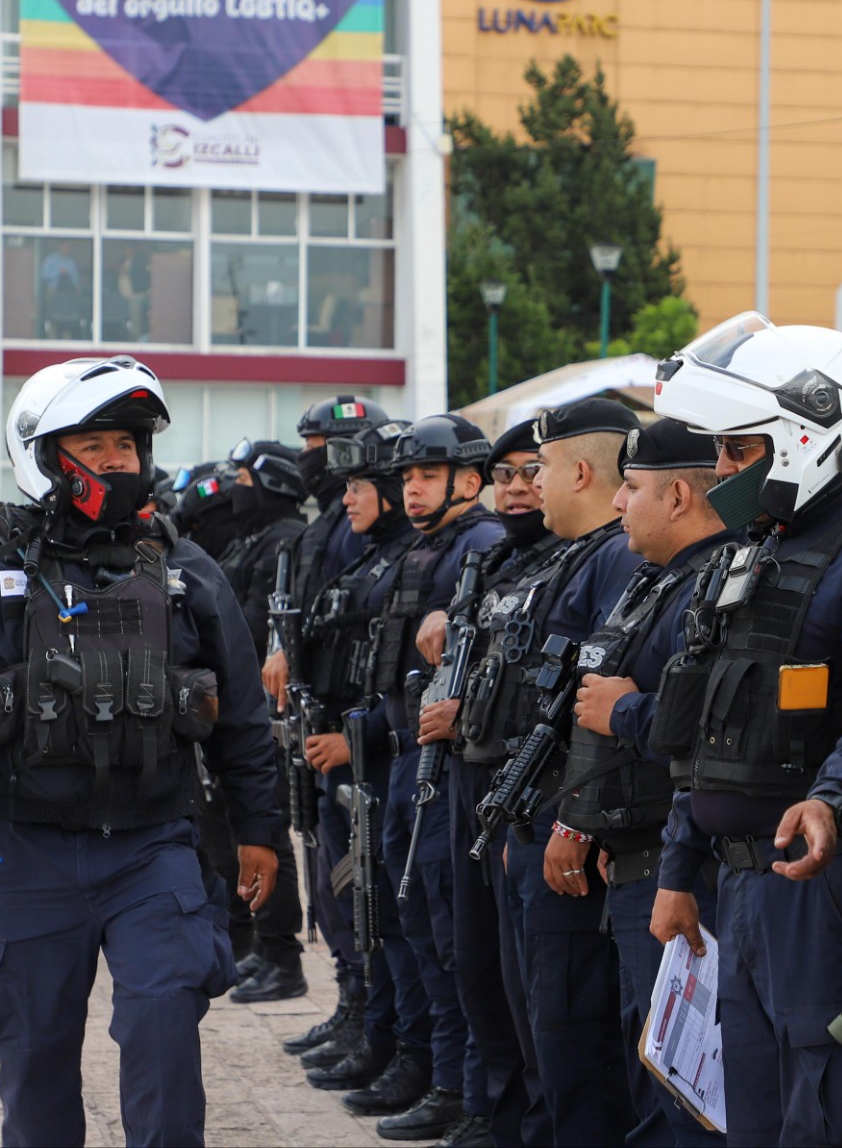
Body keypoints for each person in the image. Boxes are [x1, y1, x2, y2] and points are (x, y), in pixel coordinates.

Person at [0, 355, 281, 1147]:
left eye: (126, 446)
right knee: (32, 1053)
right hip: (26, 852)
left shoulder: (187, 572)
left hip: (155, 848)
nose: (115, 462)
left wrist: (259, 829)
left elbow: (242, 713)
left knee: (166, 1030)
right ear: (44, 456)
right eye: (94, 445)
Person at [648, 313, 842, 1146]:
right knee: (757, 1122)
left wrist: (830, 797)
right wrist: (679, 867)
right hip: (741, 891)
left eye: (738, 450)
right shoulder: (750, 552)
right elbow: (708, 729)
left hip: (828, 891)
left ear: (804, 438)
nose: (721, 471)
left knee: (838, 1110)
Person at [562, 418, 730, 1146]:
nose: (618, 502)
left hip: (681, 872)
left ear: (679, 496)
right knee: (652, 1075)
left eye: (630, 488)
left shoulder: (713, 586)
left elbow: (711, 731)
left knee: (685, 1093)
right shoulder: (663, 583)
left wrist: (624, 711)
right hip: (639, 858)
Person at [497, 397, 645, 1143]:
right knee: (544, 1027)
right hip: (541, 813)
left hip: (572, 823)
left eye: (543, 467)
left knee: (573, 1032)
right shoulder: (575, 556)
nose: (533, 483)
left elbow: (601, 704)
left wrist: (572, 822)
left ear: (580, 471)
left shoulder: (616, 557)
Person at [417, 419, 559, 1148]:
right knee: (477, 965)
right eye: (505, 476)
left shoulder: (580, 560)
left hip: (525, 788)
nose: (518, 488)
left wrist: (466, 715)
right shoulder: (497, 560)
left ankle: (517, 1122)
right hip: (469, 780)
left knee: (531, 984)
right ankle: (494, 1114)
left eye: (533, 472)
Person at [362, 415, 503, 1141]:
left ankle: (459, 1087)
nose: (411, 489)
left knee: (447, 934)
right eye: (407, 477)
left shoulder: (482, 543)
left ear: (469, 480)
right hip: (404, 760)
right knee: (414, 924)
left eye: (427, 475)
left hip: (443, 771)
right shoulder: (428, 547)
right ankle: (432, 1070)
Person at [293, 419, 434, 1110]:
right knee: (352, 902)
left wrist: (362, 739)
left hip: (378, 758)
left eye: (359, 486)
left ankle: (395, 1042)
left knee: (384, 915)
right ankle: (366, 1020)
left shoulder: (418, 557)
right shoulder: (373, 556)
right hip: (343, 748)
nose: (347, 498)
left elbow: (413, 682)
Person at [269, 396, 386, 1062]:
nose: (307, 456)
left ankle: (369, 1017)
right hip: (319, 721)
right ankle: (351, 1003)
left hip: (355, 727)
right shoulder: (329, 521)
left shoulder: (363, 525)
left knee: (353, 880)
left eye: (318, 444)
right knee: (332, 875)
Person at [206, 437, 312, 1005]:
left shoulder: (287, 541)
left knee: (268, 834)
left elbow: (262, 627)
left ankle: (282, 956)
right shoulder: (254, 540)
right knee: (237, 831)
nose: (236, 491)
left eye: (246, 481)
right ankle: (261, 948)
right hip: (239, 706)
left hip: (269, 716)